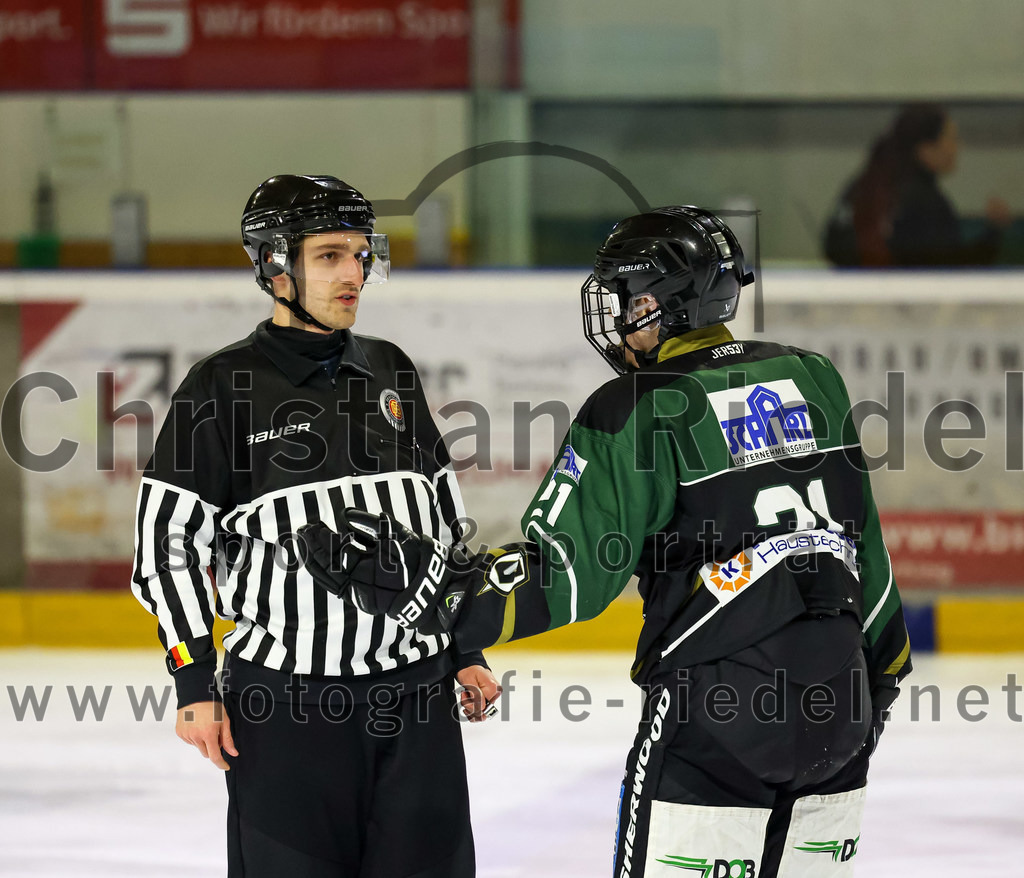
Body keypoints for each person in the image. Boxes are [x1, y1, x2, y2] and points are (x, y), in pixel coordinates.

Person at [301, 206, 912, 878]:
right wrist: (869, 694)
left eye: (626, 298)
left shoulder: (638, 405)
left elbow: (568, 575)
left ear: (661, 305)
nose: (618, 316)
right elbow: (867, 555)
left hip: (718, 715)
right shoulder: (813, 375)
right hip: (842, 705)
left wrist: (438, 593)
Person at [131, 174, 500, 878]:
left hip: (417, 702)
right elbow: (168, 549)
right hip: (286, 711)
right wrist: (193, 684)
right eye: (330, 255)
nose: (354, 273)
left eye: (361, 254)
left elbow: (443, 521)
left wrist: (466, 647)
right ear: (275, 265)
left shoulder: (390, 368)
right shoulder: (219, 388)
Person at [824, 102, 1012, 266]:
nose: (957, 147)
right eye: (951, 139)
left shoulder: (865, 184)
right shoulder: (925, 203)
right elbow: (951, 267)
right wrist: (993, 234)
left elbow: (832, 247)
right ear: (925, 149)